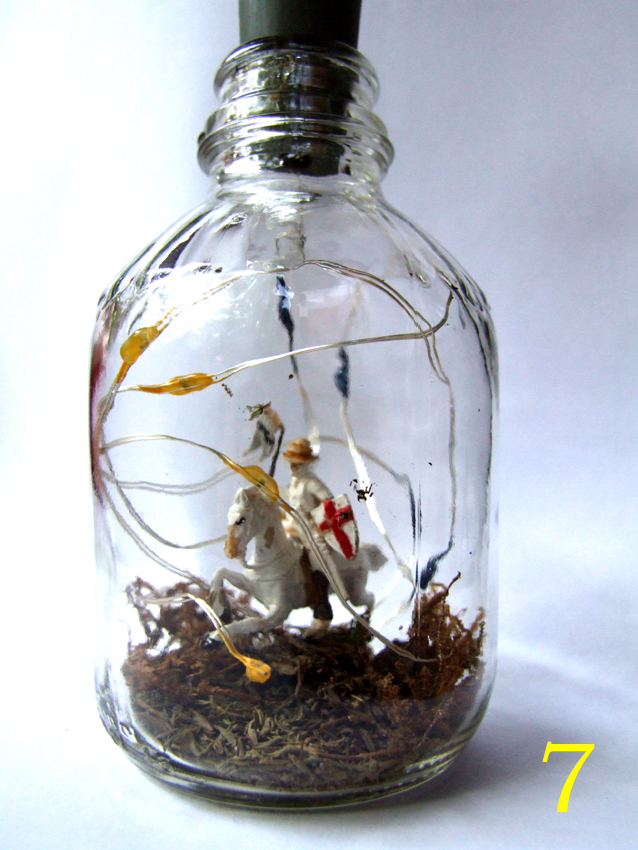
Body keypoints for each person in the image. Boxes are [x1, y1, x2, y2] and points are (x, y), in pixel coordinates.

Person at [282, 438, 334, 630]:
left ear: (306, 464)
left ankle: (322, 612)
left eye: (297, 463)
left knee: (316, 568)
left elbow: (329, 502)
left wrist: (318, 521)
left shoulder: (312, 483)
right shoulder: (294, 483)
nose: (293, 467)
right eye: (291, 463)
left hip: (312, 533)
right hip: (294, 527)